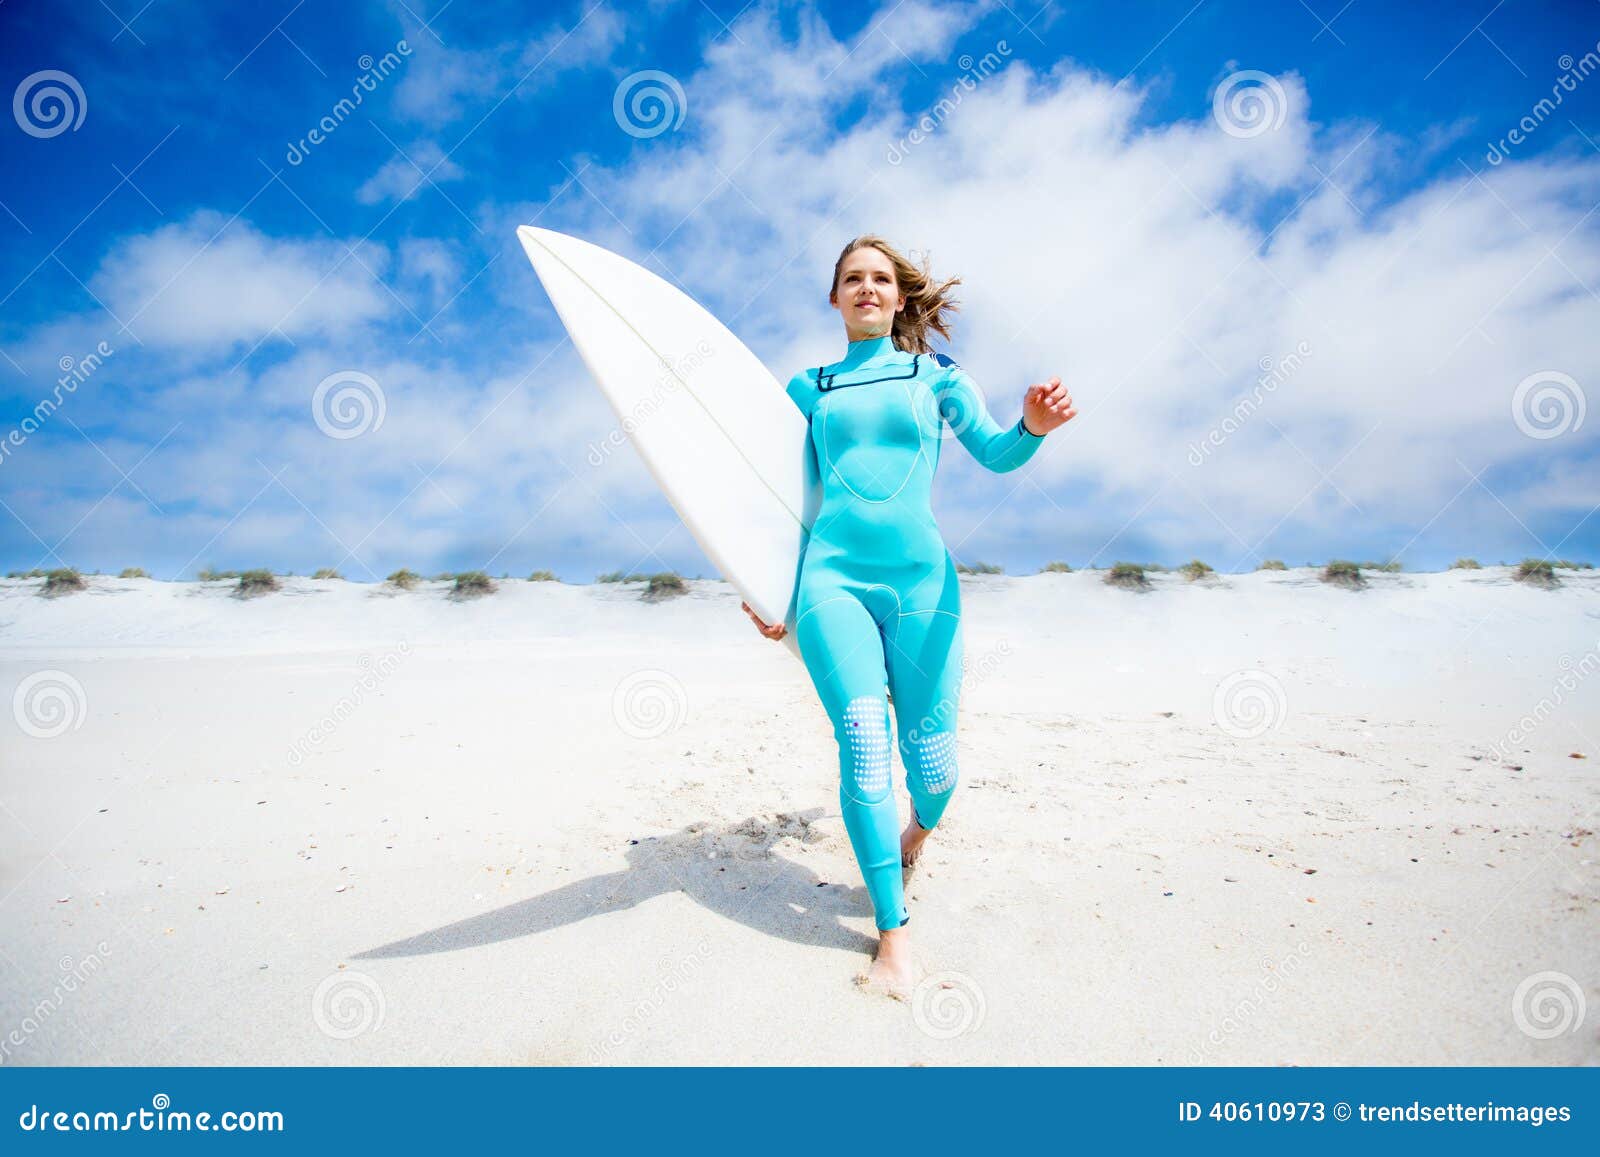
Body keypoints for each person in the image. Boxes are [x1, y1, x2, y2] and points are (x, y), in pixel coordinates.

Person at [741, 235, 1075, 999]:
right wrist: (765, 589)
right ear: (835, 297)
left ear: (899, 297)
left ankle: (916, 830)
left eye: (880, 278)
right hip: (831, 583)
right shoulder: (808, 388)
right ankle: (893, 935)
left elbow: (996, 452)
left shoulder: (937, 376)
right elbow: (779, 501)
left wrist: (1031, 426)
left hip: (924, 585)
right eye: (852, 278)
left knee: (933, 764)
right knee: (863, 741)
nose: (867, 287)